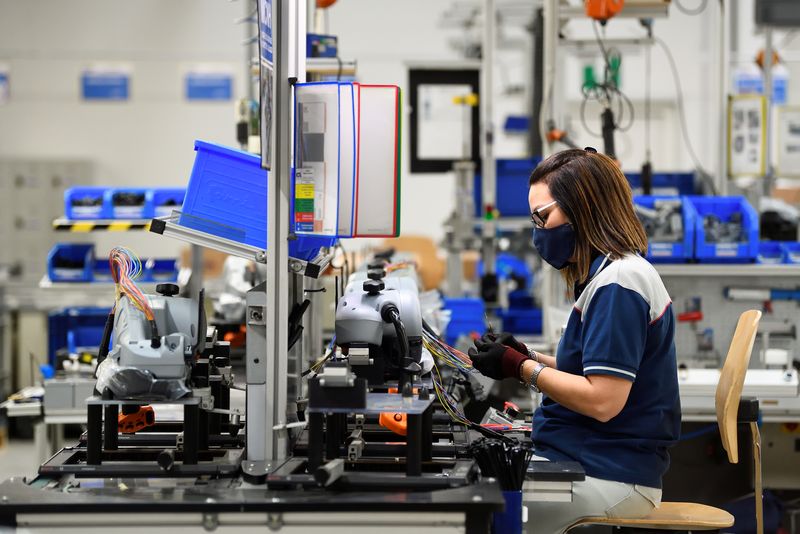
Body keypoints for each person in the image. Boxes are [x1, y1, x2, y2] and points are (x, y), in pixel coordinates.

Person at [468, 148, 681, 533]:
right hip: (595, 463)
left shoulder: (620, 282)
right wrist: (525, 355)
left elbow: (602, 400)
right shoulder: (610, 276)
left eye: (542, 217)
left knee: (474, 508)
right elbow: (585, 370)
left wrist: (520, 368)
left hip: (611, 477)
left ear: (583, 208)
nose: (537, 230)